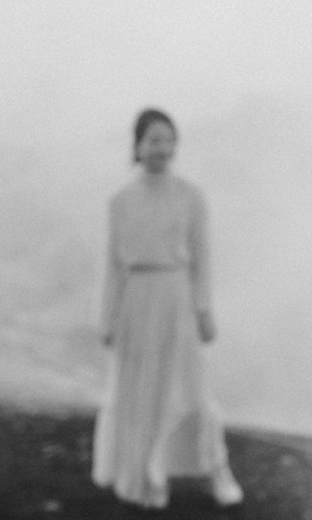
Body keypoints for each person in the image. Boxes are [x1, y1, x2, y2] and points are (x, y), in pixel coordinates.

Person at [92, 108, 243, 509]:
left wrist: (205, 310)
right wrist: (107, 319)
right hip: (136, 305)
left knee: (193, 393)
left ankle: (217, 470)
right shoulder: (120, 201)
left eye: (167, 139)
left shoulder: (190, 196)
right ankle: (147, 477)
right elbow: (112, 266)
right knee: (142, 394)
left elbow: (202, 259)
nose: (161, 148)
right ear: (137, 146)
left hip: (177, 300)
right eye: (152, 140)